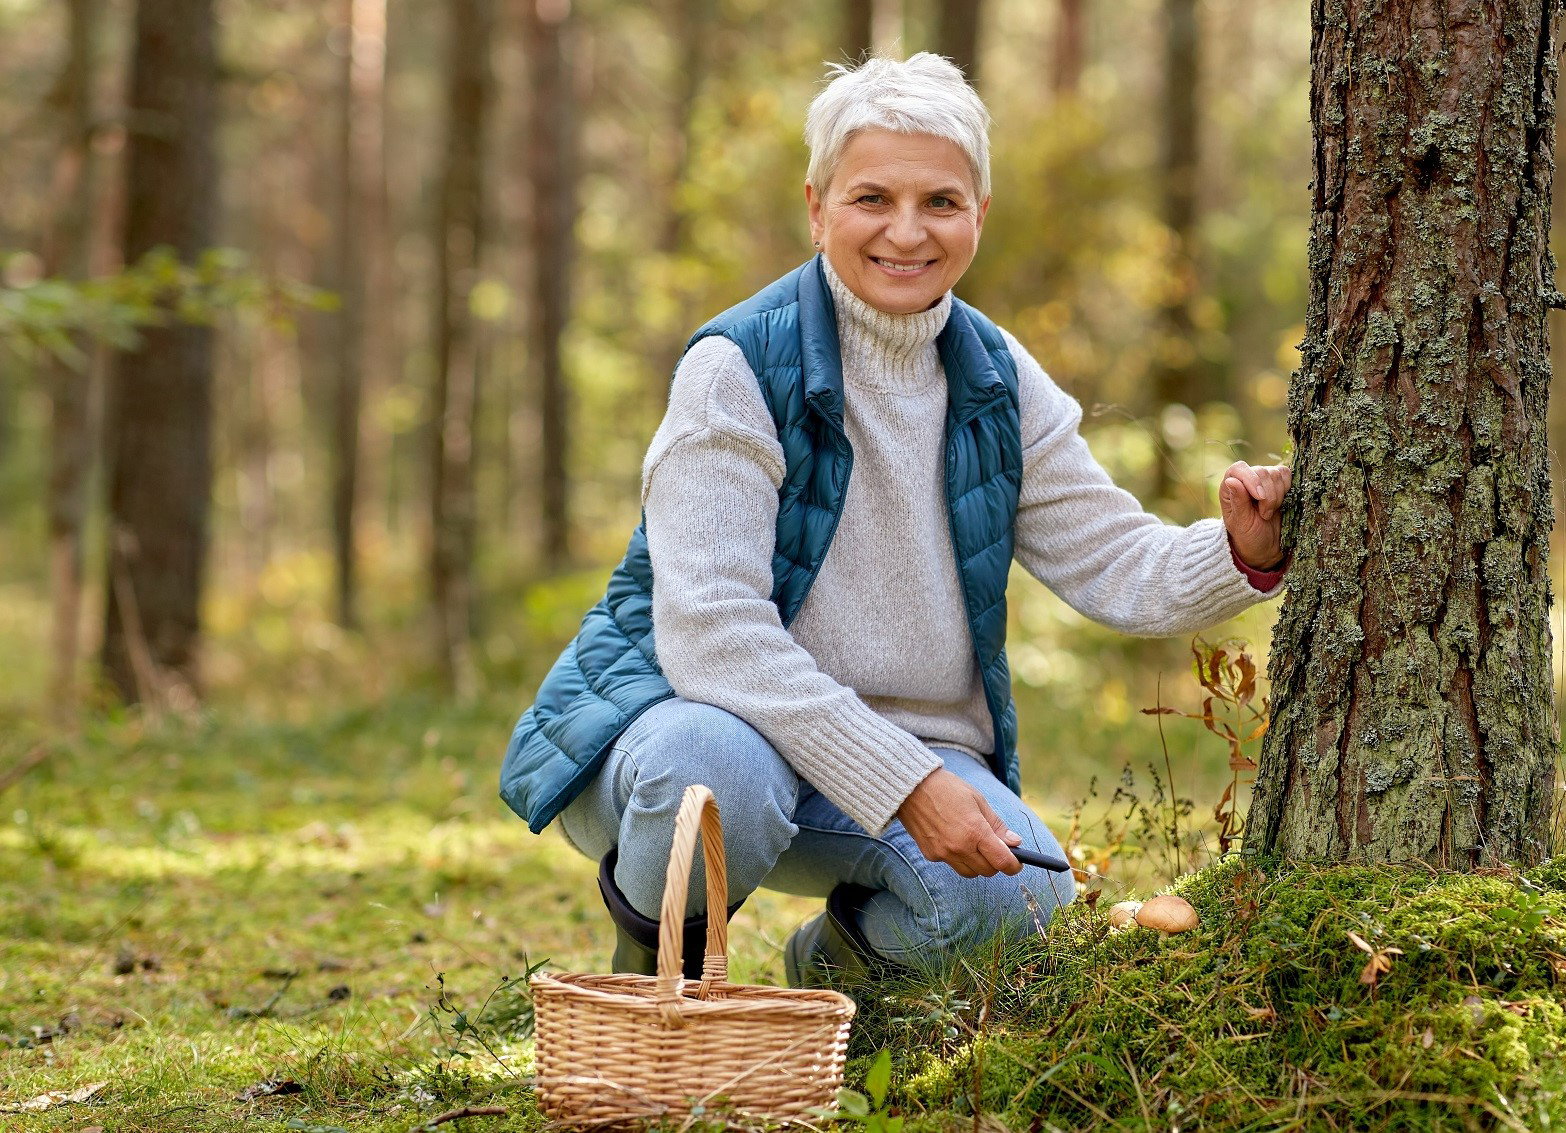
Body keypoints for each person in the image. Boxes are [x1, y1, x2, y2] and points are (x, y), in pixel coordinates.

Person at [499, 52, 1292, 985]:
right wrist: (909, 783)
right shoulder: (737, 368)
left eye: (942, 203)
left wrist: (1240, 549)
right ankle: (644, 984)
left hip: (906, 754)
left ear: (979, 215)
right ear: (816, 207)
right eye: (872, 198)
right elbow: (713, 637)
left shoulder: (998, 376)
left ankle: (829, 987)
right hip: (687, 728)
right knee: (714, 770)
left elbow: (1114, 558)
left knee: (1018, 903)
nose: (907, 232)